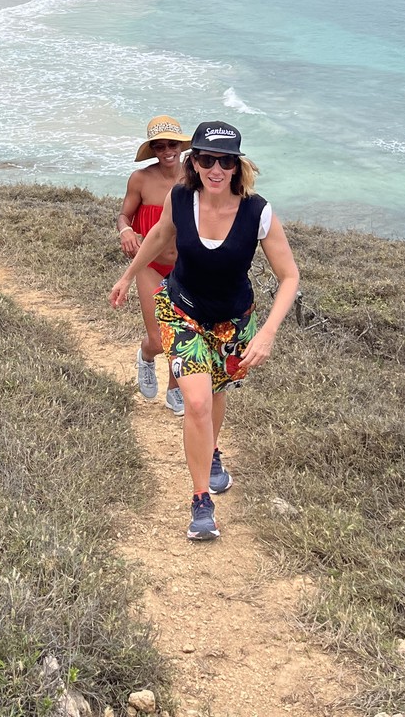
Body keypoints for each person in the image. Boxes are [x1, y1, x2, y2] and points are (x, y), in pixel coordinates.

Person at [110, 120, 300, 542]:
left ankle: (212, 452)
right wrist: (127, 277)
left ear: (237, 166)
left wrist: (267, 333)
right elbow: (159, 236)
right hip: (183, 312)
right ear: (194, 162)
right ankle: (201, 501)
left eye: (226, 161)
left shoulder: (257, 211)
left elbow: (289, 276)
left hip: (233, 321)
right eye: (208, 159)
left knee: (214, 392)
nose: (216, 169)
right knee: (195, 402)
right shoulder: (181, 198)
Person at [116, 115, 192, 414]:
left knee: (183, 333)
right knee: (159, 339)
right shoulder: (141, 179)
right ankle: (146, 357)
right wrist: (125, 231)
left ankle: (175, 390)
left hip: (187, 267)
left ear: (181, 146)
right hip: (149, 264)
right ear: (153, 150)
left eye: (171, 144)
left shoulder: (196, 176)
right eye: (159, 146)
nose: (166, 151)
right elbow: (124, 215)